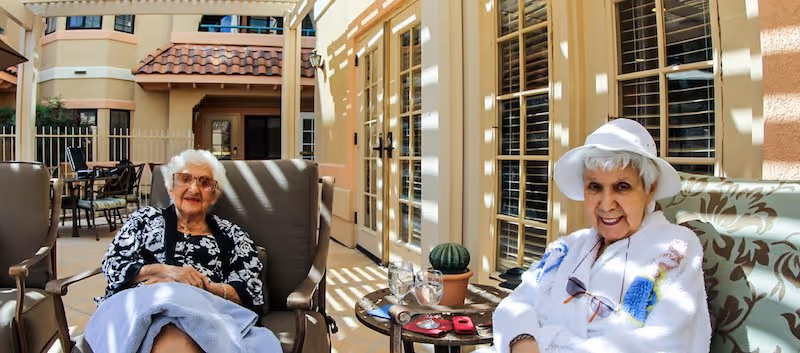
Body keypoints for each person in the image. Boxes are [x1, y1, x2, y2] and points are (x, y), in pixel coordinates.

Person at [486, 119, 711, 353]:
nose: (606, 204)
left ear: (649, 189)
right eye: (595, 187)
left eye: (622, 186)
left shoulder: (673, 250)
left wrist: (548, 341)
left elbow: (664, 343)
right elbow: (516, 304)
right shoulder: (568, 248)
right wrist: (522, 341)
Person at [86, 149, 279, 353]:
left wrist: (200, 287)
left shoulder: (232, 235)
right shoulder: (143, 220)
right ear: (171, 189)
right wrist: (165, 271)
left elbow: (250, 292)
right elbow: (113, 265)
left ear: (214, 195)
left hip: (205, 315)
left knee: (178, 335)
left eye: (204, 182)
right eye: (185, 179)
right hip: (140, 308)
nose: (194, 189)